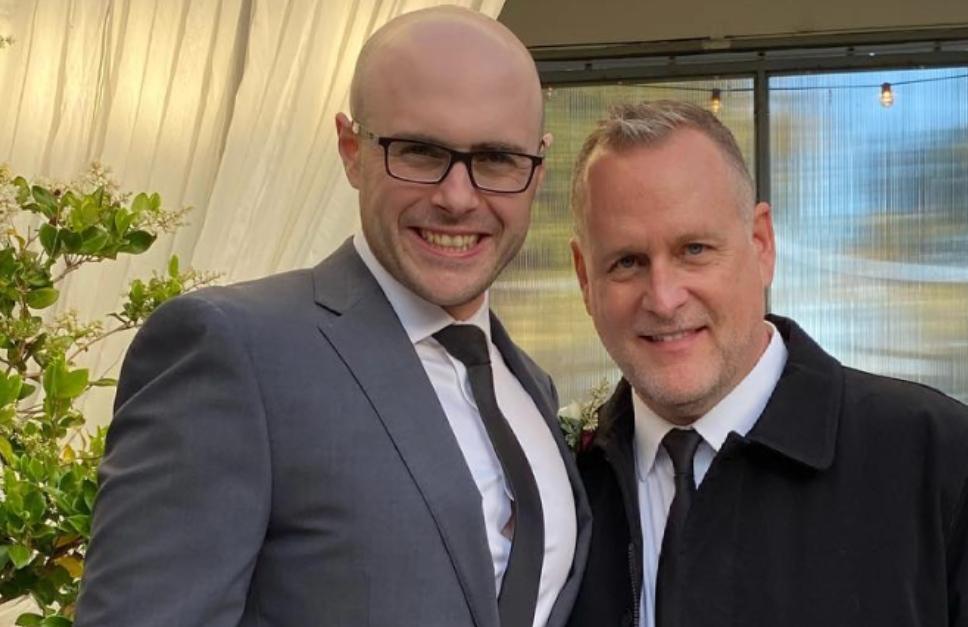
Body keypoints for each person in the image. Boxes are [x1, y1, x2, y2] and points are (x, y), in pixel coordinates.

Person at [77, 7, 589, 627]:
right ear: (352, 150)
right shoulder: (234, 350)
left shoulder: (528, 384)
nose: (458, 197)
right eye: (420, 152)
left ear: (536, 167)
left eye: (498, 160)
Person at [564, 100, 968, 627]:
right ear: (586, 278)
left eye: (694, 249)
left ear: (761, 243)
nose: (664, 297)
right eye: (627, 262)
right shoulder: (556, 483)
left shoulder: (934, 457)